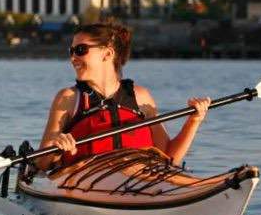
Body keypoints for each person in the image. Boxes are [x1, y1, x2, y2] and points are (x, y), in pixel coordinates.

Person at [36, 22, 209, 170]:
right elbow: (41, 164)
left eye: (80, 50)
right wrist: (57, 150)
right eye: (71, 51)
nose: (73, 58)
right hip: (86, 186)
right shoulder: (68, 99)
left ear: (108, 54)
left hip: (142, 183)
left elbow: (170, 158)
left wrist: (193, 121)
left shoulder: (141, 97)